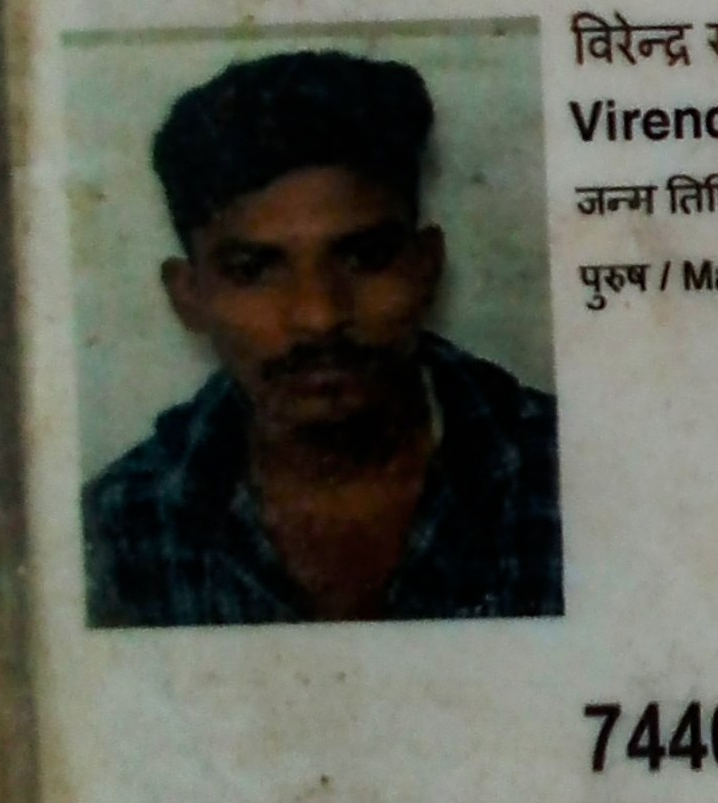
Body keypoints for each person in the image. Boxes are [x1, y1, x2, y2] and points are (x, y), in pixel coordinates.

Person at [83, 50, 563, 627]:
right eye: (254, 270)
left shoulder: (566, 473)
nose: (319, 316)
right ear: (189, 296)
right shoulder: (119, 525)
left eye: (364, 257)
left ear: (426, 267)